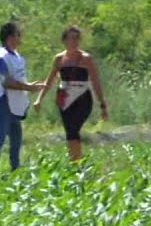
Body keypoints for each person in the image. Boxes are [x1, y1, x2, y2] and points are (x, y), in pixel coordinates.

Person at [33, 26, 108, 162]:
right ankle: (75, 161)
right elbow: (49, 80)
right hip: (64, 99)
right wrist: (39, 99)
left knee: (74, 129)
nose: (74, 41)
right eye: (71, 38)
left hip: (82, 99)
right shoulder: (59, 59)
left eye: (77, 38)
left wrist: (102, 105)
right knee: (70, 132)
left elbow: (95, 82)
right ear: (64, 40)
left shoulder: (86, 59)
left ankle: (76, 162)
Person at [0, 22, 46, 171]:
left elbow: (17, 79)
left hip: (15, 103)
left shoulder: (18, 57)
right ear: (10, 37)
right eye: (18, 35)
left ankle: (15, 169)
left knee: (16, 139)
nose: (20, 38)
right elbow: (6, 81)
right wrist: (28, 87)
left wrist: (30, 85)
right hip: (2, 100)